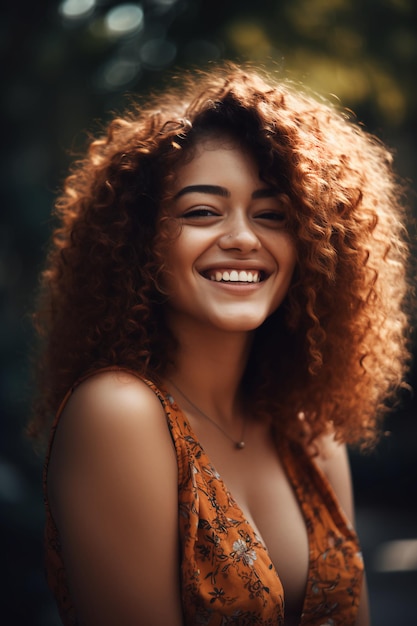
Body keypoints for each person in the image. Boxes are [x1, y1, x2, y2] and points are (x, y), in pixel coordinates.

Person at [28, 62, 411, 626]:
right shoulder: (118, 413)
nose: (241, 238)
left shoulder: (309, 431)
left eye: (272, 214)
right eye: (202, 212)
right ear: (143, 241)